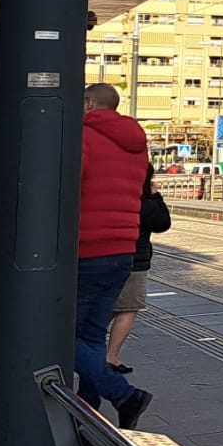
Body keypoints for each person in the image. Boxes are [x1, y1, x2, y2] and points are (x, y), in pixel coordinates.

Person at [78, 83, 155, 427]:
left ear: (91, 103)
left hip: (86, 248)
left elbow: (69, 182)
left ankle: (124, 395)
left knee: (59, 335)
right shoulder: (138, 146)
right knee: (92, 335)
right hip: (124, 249)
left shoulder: (84, 136)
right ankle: (85, 405)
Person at [106, 163, 172, 376]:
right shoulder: (143, 198)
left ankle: (91, 348)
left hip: (106, 255)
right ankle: (110, 357)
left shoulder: (114, 190)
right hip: (134, 260)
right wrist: (155, 197)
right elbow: (161, 223)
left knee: (107, 306)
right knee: (128, 307)